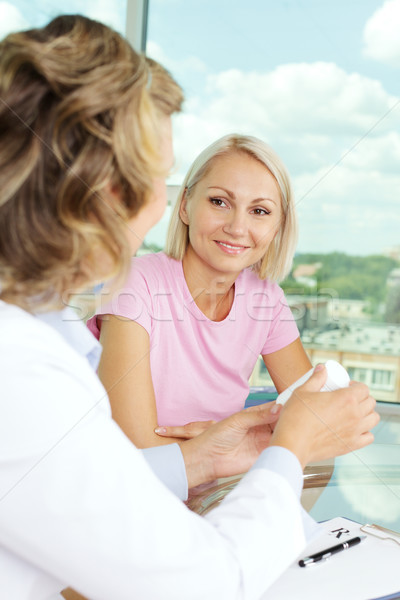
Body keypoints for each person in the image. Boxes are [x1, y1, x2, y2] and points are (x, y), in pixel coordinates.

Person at [0, 14, 379, 600]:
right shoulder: (23, 369)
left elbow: (99, 485)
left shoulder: (37, 343)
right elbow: (201, 582)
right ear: (105, 191)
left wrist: (209, 452)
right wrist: (286, 448)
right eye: (156, 177)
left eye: (260, 210)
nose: (158, 200)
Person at [87, 134, 313, 448]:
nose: (237, 227)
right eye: (219, 202)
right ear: (184, 207)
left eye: (259, 211)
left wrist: (236, 440)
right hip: (134, 489)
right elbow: (138, 449)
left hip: (221, 490)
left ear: (277, 227)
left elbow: (318, 422)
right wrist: (227, 444)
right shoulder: (135, 283)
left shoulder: (266, 299)